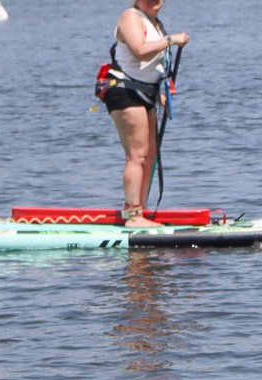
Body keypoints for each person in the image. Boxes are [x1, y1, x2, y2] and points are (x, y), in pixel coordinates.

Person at [101, 0, 188, 227]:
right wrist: (170, 40)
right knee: (137, 156)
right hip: (124, 91)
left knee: (150, 156)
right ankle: (132, 215)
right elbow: (139, 51)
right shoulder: (130, 16)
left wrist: (160, 93)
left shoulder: (154, 22)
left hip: (146, 93)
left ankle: (142, 209)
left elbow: (151, 66)